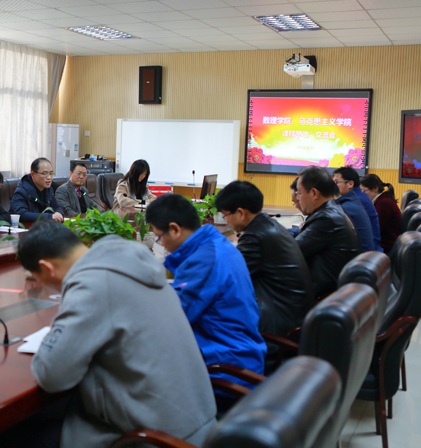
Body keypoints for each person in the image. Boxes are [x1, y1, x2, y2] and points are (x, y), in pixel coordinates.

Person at [16, 221, 217, 448]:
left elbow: (52, 376)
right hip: (197, 424)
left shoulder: (92, 285)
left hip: (156, 439)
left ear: (47, 268)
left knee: (16, 435)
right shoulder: (131, 265)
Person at [145, 194, 266, 391]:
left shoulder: (204, 260)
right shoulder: (216, 245)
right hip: (237, 353)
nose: (162, 244)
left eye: (159, 237)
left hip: (224, 367)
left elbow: (175, 318)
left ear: (175, 229)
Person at [214, 181, 315, 337]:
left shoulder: (255, 236)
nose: (226, 220)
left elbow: (226, 278)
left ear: (241, 213)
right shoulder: (268, 225)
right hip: (294, 314)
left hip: (279, 324)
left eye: (226, 215)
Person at [294, 166, 361, 298]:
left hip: (322, 296)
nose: (298, 199)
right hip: (330, 288)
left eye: (299, 193)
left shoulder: (326, 219)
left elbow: (291, 251)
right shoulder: (332, 210)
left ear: (314, 193)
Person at [333, 167, 382, 252]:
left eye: (336, 182)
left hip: (367, 252)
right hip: (370, 250)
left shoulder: (354, 201)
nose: (333, 186)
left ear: (350, 184)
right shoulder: (360, 196)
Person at [10, 158, 64, 222]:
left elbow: (57, 207)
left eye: (51, 173)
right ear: (33, 175)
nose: (49, 177)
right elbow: (21, 214)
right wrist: (49, 217)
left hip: (43, 226)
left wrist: (58, 213)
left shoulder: (49, 189)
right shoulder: (22, 191)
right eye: (44, 173)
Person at [360, 174, 402, 253]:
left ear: (375, 189)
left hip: (386, 247)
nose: (362, 194)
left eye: (364, 191)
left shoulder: (384, 203)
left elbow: (375, 229)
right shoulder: (382, 200)